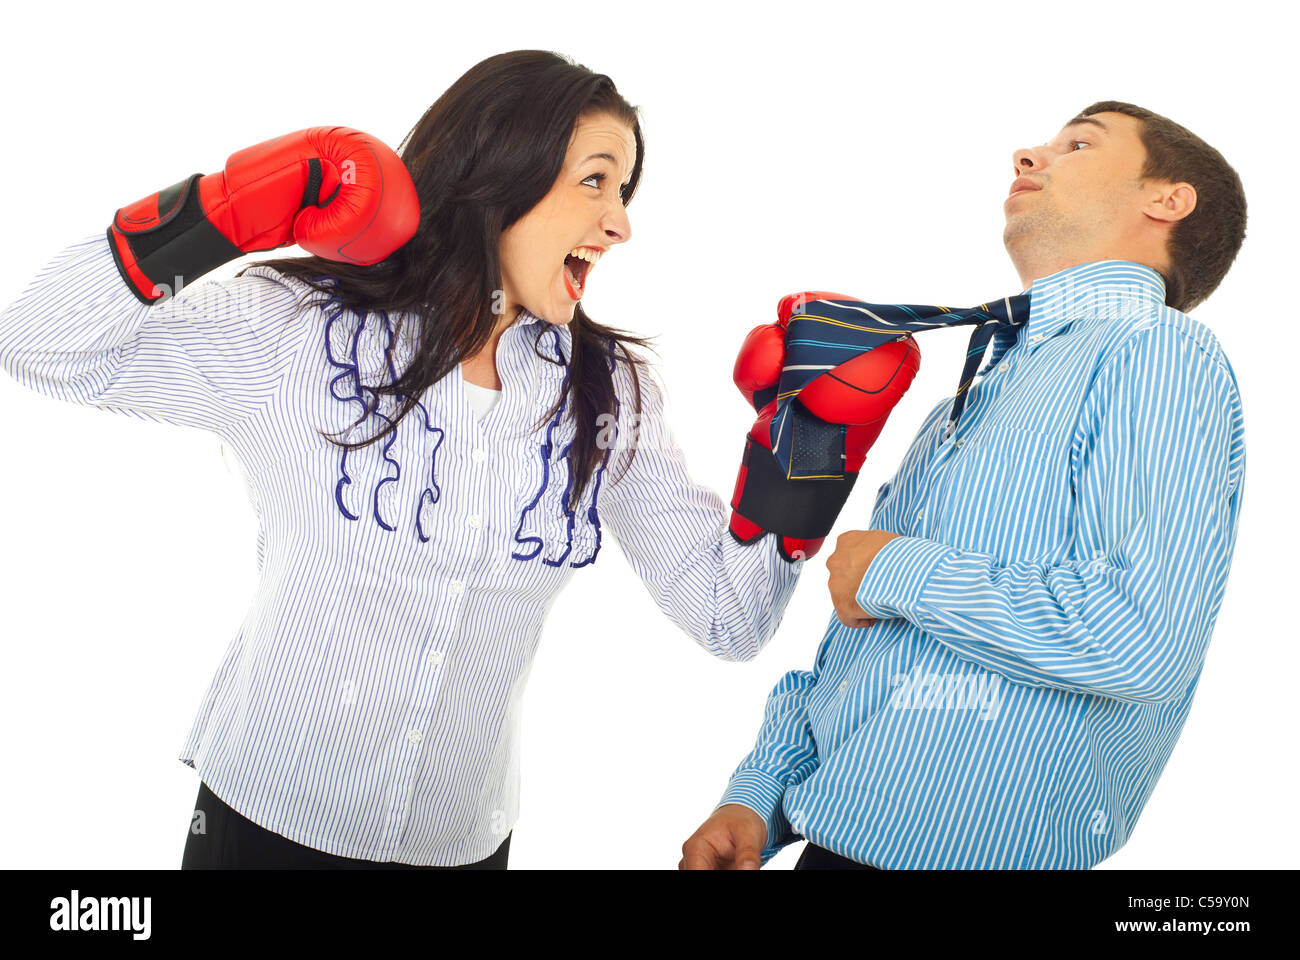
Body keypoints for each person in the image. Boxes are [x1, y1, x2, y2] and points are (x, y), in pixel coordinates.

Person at [0, 50, 903, 869]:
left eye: (626, 190)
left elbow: (728, 616)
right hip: (266, 823)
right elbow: (38, 344)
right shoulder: (296, 332)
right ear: (498, 175)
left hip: (462, 847)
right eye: (596, 181)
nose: (620, 223)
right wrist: (222, 210)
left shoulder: (608, 394)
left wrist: (811, 444)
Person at [680, 100, 1248, 870]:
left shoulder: (1158, 349)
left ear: (1167, 199)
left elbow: (1143, 637)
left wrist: (894, 568)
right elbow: (861, 645)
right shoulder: (967, 402)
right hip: (827, 844)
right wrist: (758, 795)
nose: (1027, 155)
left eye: (1079, 144)